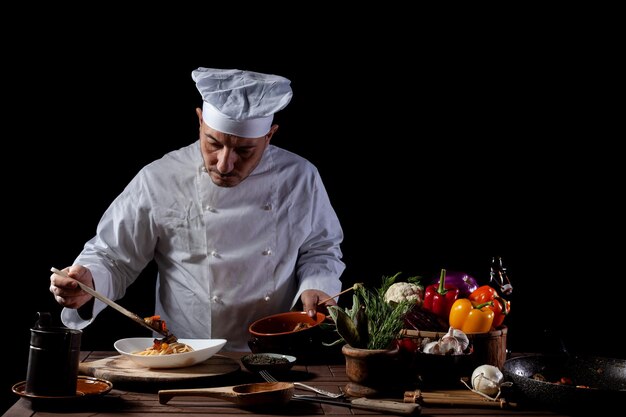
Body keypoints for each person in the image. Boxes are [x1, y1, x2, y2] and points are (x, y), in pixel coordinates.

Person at [49, 67, 346, 351]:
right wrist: (88, 282)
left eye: (244, 151)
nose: (224, 164)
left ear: (269, 136)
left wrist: (318, 286)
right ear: (200, 121)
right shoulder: (161, 178)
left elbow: (320, 248)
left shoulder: (299, 177)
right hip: (183, 351)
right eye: (213, 143)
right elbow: (113, 257)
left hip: (276, 351)